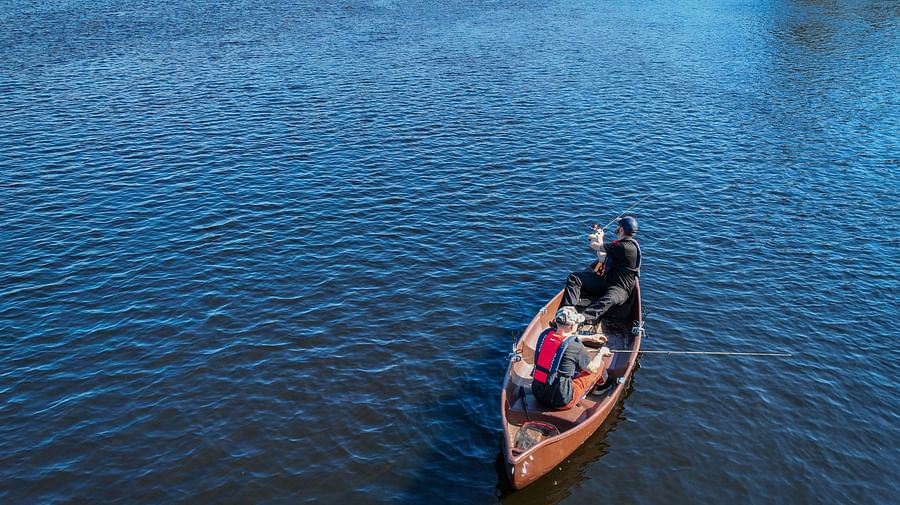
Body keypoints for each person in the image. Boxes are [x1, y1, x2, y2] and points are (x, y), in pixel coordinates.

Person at [561, 216, 641, 325]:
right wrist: (599, 238)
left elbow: (595, 246)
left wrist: (596, 238)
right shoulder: (620, 246)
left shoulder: (624, 247)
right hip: (606, 281)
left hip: (620, 288)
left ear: (621, 229)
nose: (617, 228)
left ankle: (580, 318)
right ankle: (568, 309)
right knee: (574, 278)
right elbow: (602, 258)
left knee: (609, 299)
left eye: (618, 226)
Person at [531, 307, 612, 410]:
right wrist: (601, 353)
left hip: (538, 393)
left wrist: (590, 338)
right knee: (599, 366)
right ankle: (599, 389)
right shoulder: (576, 347)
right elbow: (592, 369)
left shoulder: (545, 334)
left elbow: (563, 339)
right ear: (572, 326)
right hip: (562, 401)